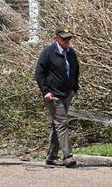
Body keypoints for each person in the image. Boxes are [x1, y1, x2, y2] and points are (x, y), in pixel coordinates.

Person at [35, 27, 80, 168]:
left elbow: (75, 70)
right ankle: (68, 156)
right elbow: (39, 73)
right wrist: (45, 91)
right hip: (53, 95)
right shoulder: (48, 52)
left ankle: (51, 157)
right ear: (57, 38)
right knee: (62, 123)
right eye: (64, 38)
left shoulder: (71, 53)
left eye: (69, 38)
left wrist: (74, 88)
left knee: (57, 125)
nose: (67, 41)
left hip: (66, 94)